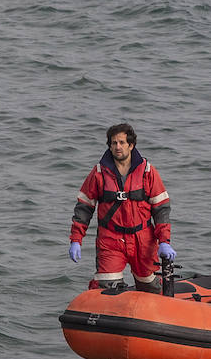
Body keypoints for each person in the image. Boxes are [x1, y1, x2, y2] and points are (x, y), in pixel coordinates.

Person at [68, 123, 175, 292]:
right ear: (109, 146)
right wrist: (76, 240)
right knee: (106, 288)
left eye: (122, 142)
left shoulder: (147, 171)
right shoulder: (98, 173)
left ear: (131, 145)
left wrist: (164, 241)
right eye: (114, 143)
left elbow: (161, 209)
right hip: (111, 239)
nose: (118, 147)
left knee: (151, 287)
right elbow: (84, 208)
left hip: (143, 240)